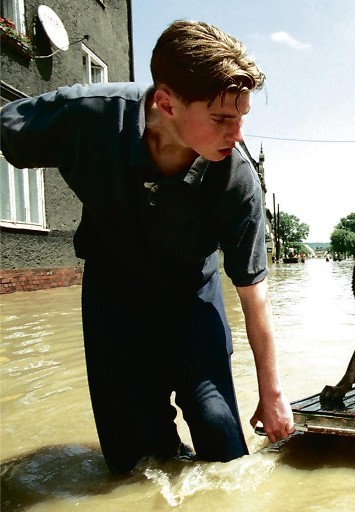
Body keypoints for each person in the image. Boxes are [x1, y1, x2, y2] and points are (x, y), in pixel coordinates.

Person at [1, 20, 296, 474]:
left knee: (222, 438)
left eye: (242, 118)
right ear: (166, 103)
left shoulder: (236, 181)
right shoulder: (90, 116)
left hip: (192, 297)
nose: (237, 134)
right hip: (113, 293)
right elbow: (9, 129)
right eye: (222, 119)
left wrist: (272, 394)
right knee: (137, 463)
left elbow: (254, 295)